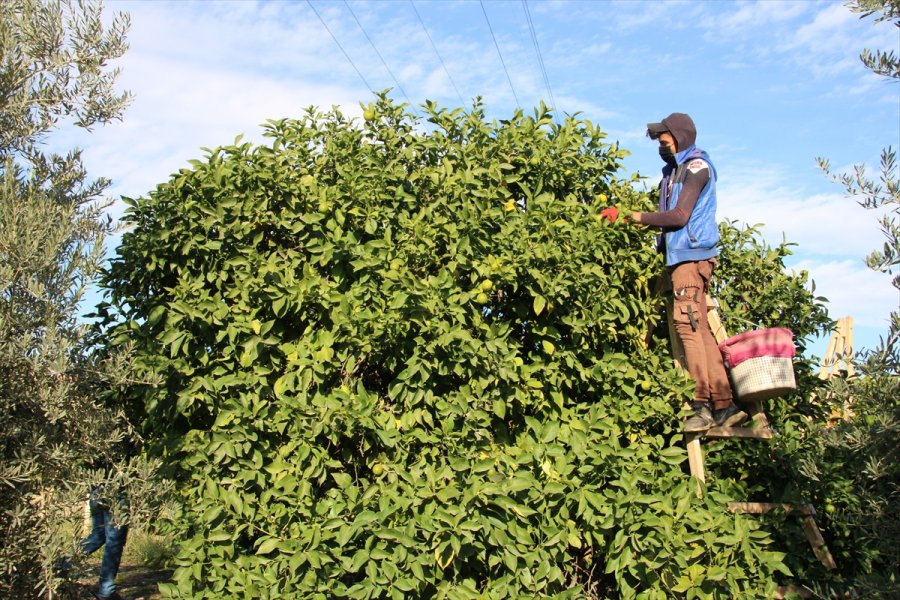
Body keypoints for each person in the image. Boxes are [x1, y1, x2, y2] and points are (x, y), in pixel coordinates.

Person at [610, 112, 747, 432]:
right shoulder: (675, 172)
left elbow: (680, 216)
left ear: (680, 136)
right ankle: (724, 405)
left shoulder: (696, 167)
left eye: (664, 139)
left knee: (687, 327)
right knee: (698, 329)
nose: (661, 145)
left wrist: (630, 216)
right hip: (681, 259)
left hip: (691, 259)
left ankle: (701, 405)